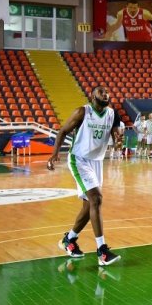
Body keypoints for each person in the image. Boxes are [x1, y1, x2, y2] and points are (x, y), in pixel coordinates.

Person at [48, 86, 122, 266]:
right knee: (96, 199)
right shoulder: (82, 112)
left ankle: (69, 239)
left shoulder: (113, 114)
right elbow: (62, 131)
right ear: (92, 96)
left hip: (97, 162)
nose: (106, 94)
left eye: (107, 92)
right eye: (102, 92)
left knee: (90, 206)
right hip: (79, 159)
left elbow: (115, 133)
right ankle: (102, 251)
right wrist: (55, 153)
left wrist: (118, 140)